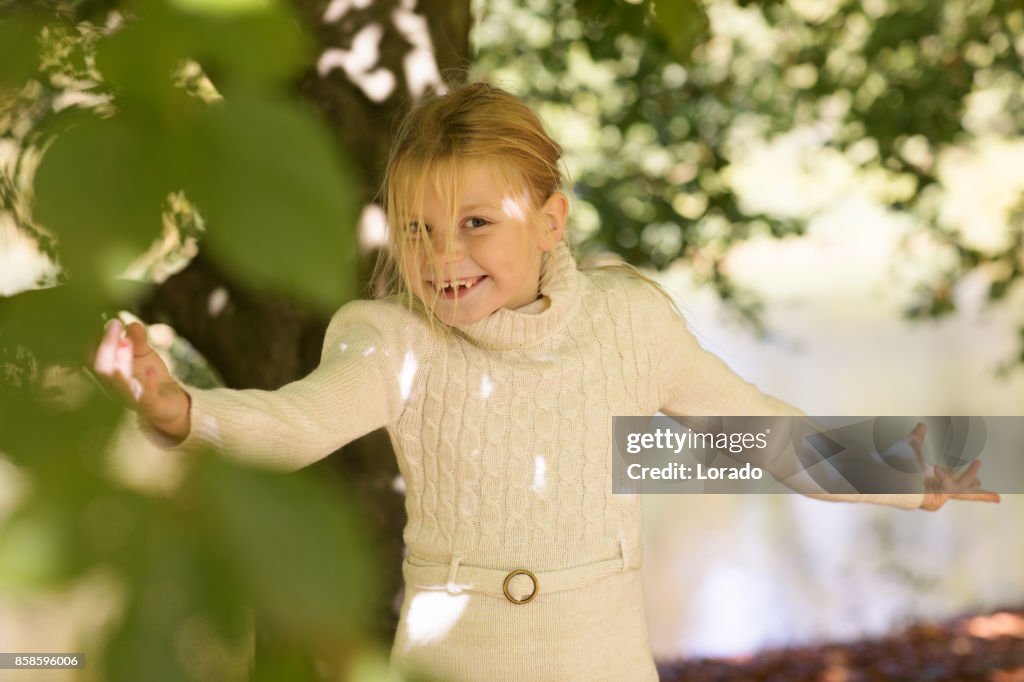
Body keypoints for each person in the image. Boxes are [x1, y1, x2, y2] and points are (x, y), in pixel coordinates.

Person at [92, 82, 999, 681]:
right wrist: (180, 411)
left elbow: (756, 434)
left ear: (551, 220)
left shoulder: (627, 320)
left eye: (476, 222)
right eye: (418, 230)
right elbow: (293, 425)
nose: (443, 257)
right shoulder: (390, 341)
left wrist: (898, 469)